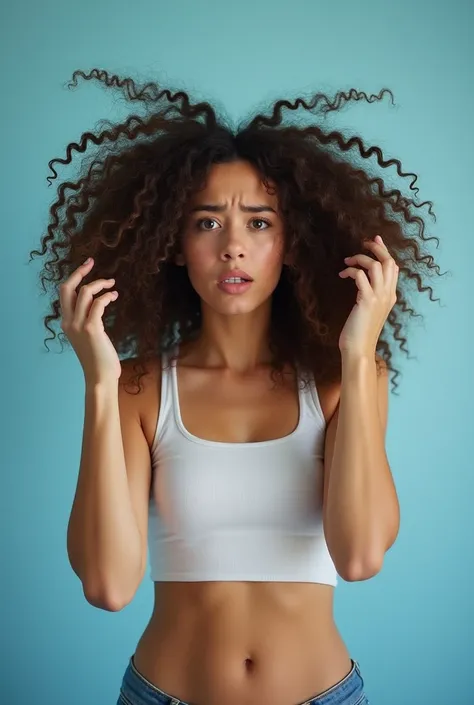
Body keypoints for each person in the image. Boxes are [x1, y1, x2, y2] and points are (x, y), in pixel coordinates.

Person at [29, 69, 445, 705]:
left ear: (292, 244)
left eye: (258, 223)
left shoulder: (344, 381)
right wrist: (100, 382)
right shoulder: (138, 388)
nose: (232, 249)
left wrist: (360, 354)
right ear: (172, 243)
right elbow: (109, 586)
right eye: (206, 223)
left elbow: (359, 556)